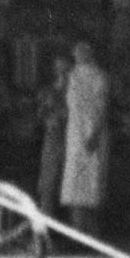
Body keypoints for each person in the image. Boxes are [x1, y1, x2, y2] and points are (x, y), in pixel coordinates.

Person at [60, 39, 110, 236]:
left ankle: (91, 234)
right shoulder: (72, 76)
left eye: (81, 53)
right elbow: (71, 106)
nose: (78, 56)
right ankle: (76, 232)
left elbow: (102, 107)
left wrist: (95, 133)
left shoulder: (99, 76)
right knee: (74, 183)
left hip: (92, 133)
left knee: (92, 184)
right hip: (75, 134)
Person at [35, 50, 71, 217]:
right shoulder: (47, 91)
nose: (62, 72)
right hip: (53, 141)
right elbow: (41, 115)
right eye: (59, 68)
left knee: (69, 187)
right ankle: (44, 229)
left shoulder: (75, 93)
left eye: (65, 69)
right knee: (48, 186)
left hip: (71, 142)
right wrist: (49, 120)